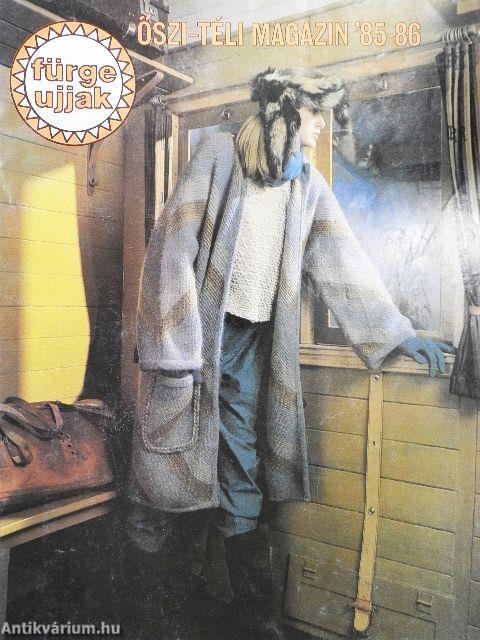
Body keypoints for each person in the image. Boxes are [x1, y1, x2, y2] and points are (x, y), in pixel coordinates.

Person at [125, 66, 455, 639]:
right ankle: (156, 611)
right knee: (170, 464)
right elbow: (171, 248)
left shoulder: (307, 186)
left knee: (240, 462)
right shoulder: (219, 156)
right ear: (286, 110)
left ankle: (255, 619)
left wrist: (398, 333)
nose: (324, 124)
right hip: (195, 344)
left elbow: (343, 262)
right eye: (317, 112)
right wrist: (173, 350)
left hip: (252, 345)